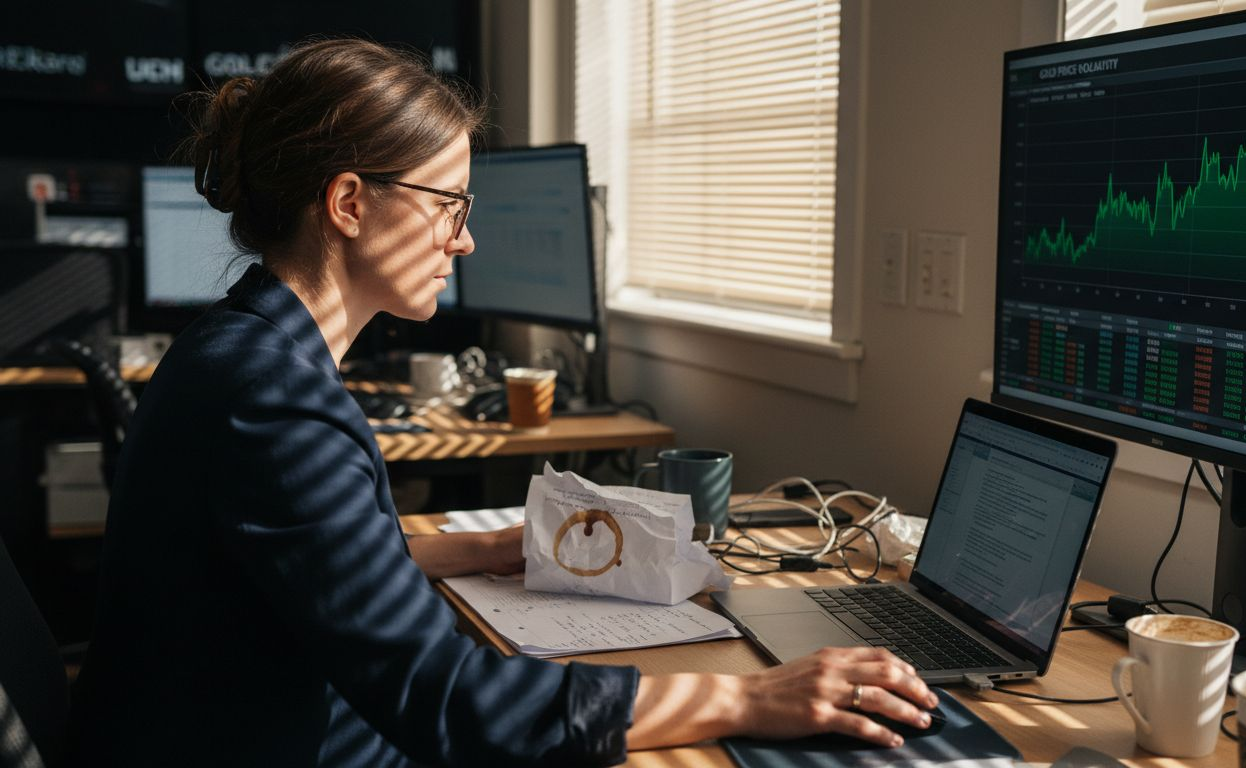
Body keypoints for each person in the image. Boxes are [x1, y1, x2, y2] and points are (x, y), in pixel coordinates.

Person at [66, 38, 937, 767]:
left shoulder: (250, 350)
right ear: (349, 204)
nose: (466, 237)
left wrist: (484, 548)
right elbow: (445, 699)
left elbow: (305, 566)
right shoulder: (268, 398)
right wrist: (750, 696)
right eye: (449, 203)